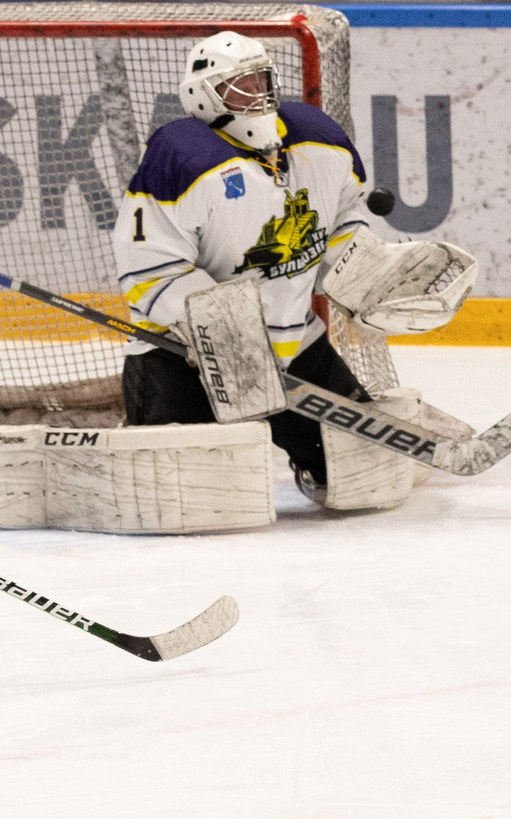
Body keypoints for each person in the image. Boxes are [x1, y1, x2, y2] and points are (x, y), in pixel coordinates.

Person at [114, 31, 380, 497]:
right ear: (202, 95)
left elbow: (344, 220)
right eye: (242, 85)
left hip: (291, 342)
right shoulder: (182, 158)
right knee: (180, 499)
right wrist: (226, 330)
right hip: (183, 356)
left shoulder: (317, 141)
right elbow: (149, 271)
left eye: (263, 80)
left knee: (360, 478)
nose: (259, 95)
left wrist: (369, 276)